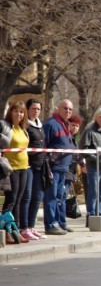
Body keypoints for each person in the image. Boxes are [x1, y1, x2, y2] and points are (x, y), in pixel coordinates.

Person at [42, 99, 75, 235]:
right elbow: (43, 146)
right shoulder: (51, 124)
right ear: (58, 108)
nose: (67, 111)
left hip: (64, 168)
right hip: (53, 168)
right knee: (51, 196)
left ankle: (60, 223)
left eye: (70, 109)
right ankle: (50, 224)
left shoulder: (65, 125)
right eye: (65, 108)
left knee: (59, 198)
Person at [0, 101, 30, 243]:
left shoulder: (23, 129)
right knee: (11, 200)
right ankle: (5, 232)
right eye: (16, 111)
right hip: (10, 168)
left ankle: (15, 230)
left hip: (24, 167)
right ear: (10, 112)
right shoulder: (5, 127)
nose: (19, 114)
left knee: (18, 200)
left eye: (22, 112)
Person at [79, 108, 101, 223]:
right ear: (96, 117)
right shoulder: (89, 131)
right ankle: (91, 216)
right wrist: (95, 159)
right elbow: (84, 149)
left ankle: (99, 216)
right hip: (94, 167)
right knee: (93, 192)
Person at [19, 98, 47, 240]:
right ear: (27, 110)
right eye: (33, 109)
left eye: (38, 109)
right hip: (28, 165)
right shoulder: (25, 126)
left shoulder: (39, 125)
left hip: (40, 166)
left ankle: (31, 226)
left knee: (37, 197)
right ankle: (23, 228)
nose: (36, 111)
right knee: (27, 196)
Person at [60, 115, 83, 232]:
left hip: (71, 173)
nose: (75, 128)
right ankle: (61, 223)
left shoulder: (74, 139)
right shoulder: (66, 137)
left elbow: (77, 156)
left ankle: (62, 223)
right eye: (73, 125)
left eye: (77, 126)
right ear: (68, 125)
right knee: (61, 198)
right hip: (64, 171)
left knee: (63, 197)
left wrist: (82, 165)